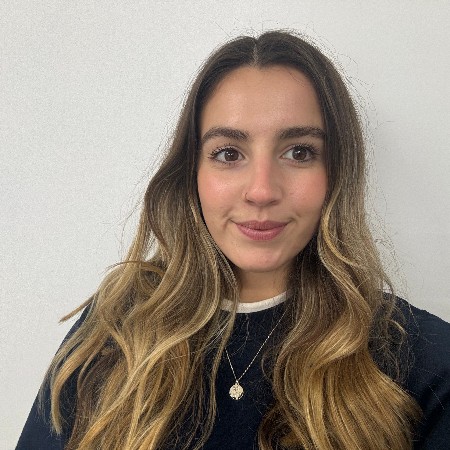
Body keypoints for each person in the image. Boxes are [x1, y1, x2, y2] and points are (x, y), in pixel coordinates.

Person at [17, 30, 450, 450]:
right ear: (192, 173)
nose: (261, 191)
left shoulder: (425, 362)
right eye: (228, 153)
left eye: (299, 152)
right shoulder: (114, 330)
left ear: (337, 172)